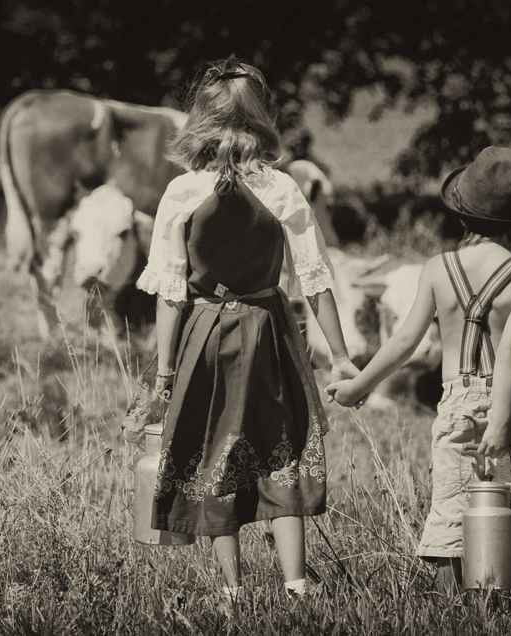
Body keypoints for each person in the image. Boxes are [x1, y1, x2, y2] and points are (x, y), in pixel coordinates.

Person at [135, 55, 360, 611]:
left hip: (205, 335)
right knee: (279, 447)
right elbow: (315, 279)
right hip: (269, 334)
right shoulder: (282, 187)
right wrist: (341, 355)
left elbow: (171, 292)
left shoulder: (182, 193)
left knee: (215, 451)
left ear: (200, 118)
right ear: (262, 116)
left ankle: (233, 593)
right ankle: (297, 587)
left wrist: (165, 375)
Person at [327, 146, 511, 596]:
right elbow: (509, 349)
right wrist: (503, 416)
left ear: (462, 213)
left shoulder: (437, 269)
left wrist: (358, 386)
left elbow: (402, 342)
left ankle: (453, 608)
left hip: (456, 403)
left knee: (451, 507)